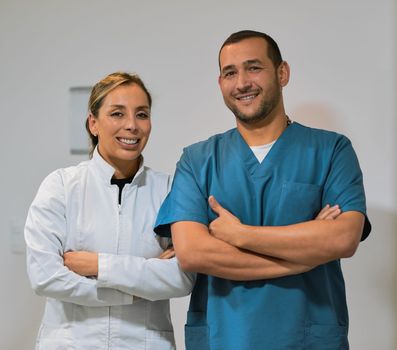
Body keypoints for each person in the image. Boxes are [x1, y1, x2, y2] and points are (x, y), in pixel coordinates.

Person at [154, 30, 371, 350]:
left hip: (307, 339)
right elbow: (194, 253)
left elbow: (343, 238)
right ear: (220, 84)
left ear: (282, 73)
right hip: (224, 338)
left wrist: (241, 235)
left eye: (253, 67)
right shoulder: (197, 160)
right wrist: (305, 255)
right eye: (230, 72)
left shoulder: (331, 150)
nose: (242, 82)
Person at [24, 71, 195, 350]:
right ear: (93, 123)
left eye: (142, 114)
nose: (132, 125)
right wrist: (137, 289)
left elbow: (183, 277)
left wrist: (98, 265)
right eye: (117, 114)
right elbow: (46, 277)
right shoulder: (62, 186)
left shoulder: (168, 190)